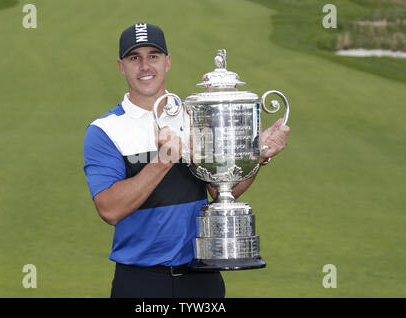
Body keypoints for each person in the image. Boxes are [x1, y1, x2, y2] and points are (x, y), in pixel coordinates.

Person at [83, 23, 290, 298]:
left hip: (202, 278)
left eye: (153, 56)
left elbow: (221, 191)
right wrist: (163, 160)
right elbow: (109, 210)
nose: (145, 65)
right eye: (135, 58)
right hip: (140, 281)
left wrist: (257, 156)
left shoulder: (195, 116)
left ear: (167, 62)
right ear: (122, 66)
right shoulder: (104, 130)